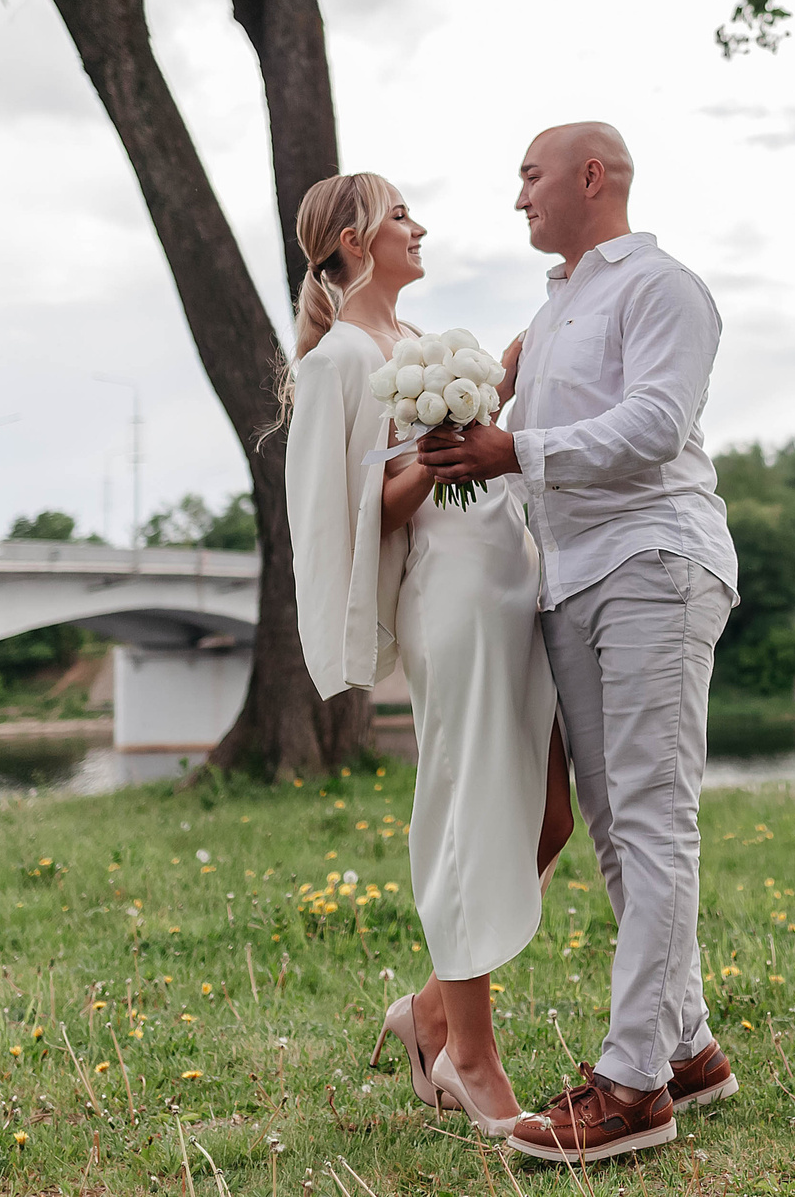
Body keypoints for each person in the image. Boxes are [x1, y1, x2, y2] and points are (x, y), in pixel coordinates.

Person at [421, 122, 741, 1165]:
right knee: (613, 824)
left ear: (591, 177)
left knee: (651, 816)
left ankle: (634, 1083)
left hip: (653, 561)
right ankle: (686, 1046)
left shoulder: (660, 288)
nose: (517, 197)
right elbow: (526, 464)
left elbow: (654, 425)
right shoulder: (554, 311)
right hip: (575, 579)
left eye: (529, 175)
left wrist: (514, 444)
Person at [284, 172, 571, 1135]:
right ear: (356, 238)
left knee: (553, 812)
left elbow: (476, 435)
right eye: (401, 213)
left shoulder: (417, 346)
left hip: (510, 572)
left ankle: (430, 1013)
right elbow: (341, 514)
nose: (420, 226)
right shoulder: (338, 363)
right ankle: (470, 1058)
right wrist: (432, 457)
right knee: (471, 812)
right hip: (450, 599)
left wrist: (512, 371)